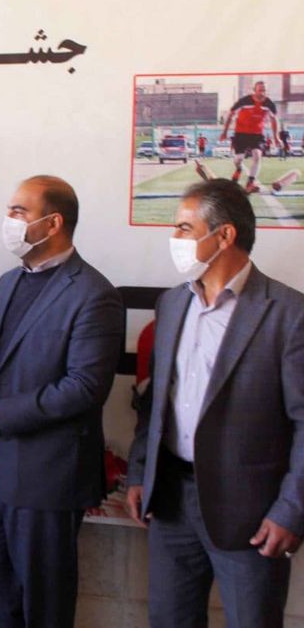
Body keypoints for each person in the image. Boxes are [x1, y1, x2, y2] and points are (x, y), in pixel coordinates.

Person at [0, 175, 124, 628]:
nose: (8, 220)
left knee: (44, 604)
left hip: (48, 476)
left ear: (53, 223)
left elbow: (85, 386)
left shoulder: (94, 293)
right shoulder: (8, 282)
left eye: (19, 212)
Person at [126, 179, 303, 628]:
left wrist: (291, 509)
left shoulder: (289, 314)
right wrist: (140, 472)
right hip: (171, 503)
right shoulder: (171, 304)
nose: (175, 238)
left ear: (224, 235)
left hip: (251, 514)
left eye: (185, 228)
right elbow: (155, 403)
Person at [219, 81, 279, 193]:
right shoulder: (244, 101)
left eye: (264, 90)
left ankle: (250, 183)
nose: (262, 93)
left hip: (257, 135)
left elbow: (274, 120)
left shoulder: (269, 104)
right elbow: (231, 114)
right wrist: (225, 132)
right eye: (260, 90)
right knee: (239, 159)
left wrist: (276, 137)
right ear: (254, 90)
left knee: (257, 156)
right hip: (241, 133)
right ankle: (239, 169)